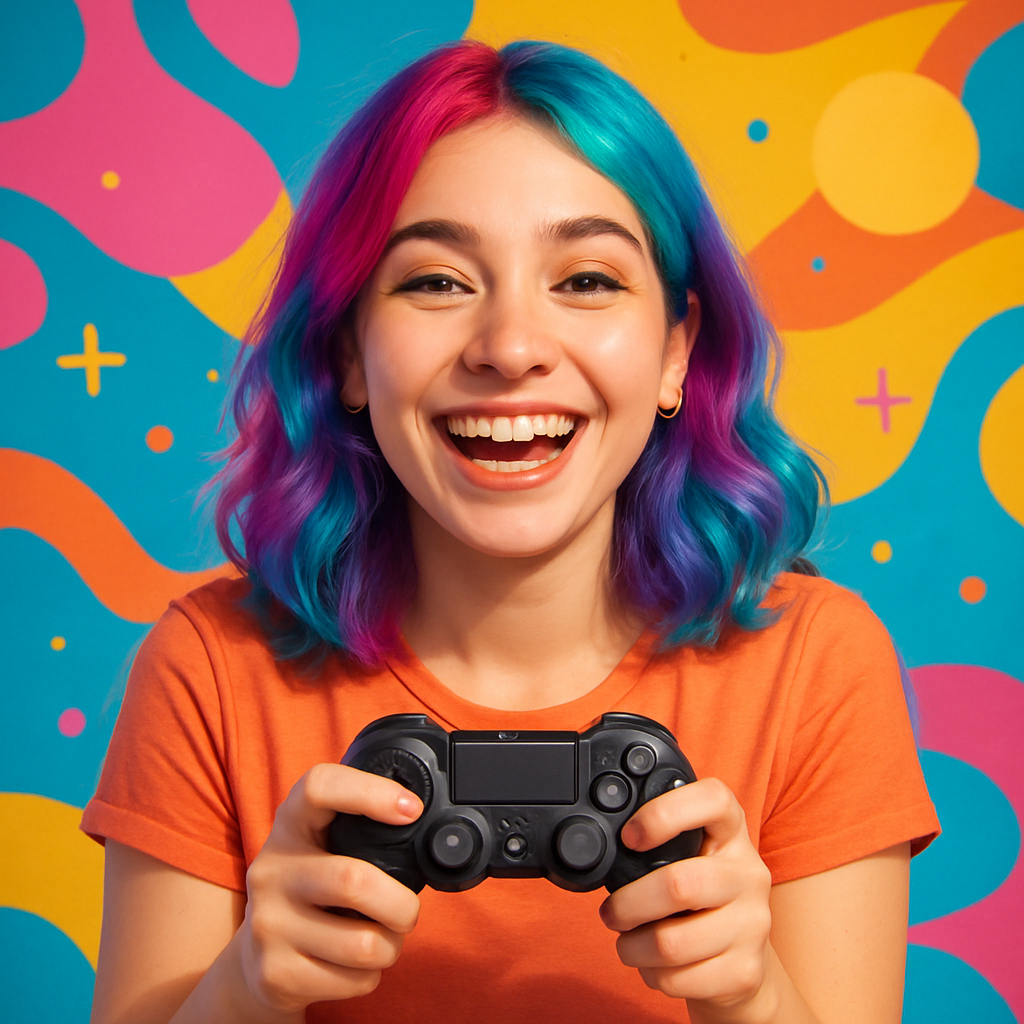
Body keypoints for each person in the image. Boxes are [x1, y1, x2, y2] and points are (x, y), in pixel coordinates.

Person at [82, 39, 939, 1024]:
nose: (511, 348)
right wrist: (245, 987)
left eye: (585, 281)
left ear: (674, 352)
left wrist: (751, 993)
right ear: (349, 353)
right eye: (437, 282)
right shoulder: (213, 668)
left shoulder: (813, 665)